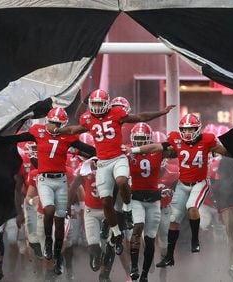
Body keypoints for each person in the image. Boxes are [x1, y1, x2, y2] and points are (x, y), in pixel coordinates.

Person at [46, 89, 175, 256]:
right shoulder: (88, 118)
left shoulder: (116, 113)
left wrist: (161, 112)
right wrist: (57, 131)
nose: (98, 107)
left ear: (108, 104)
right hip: (102, 162)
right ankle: (116, 232)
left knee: (121, 181)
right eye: (95, 103)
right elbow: (73, 129)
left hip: (119, 158)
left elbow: (140, 117)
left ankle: (128, 210)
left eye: (101, 103)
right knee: (106, 201)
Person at [126, 113, 229, 267]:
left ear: (198, 129)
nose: (187, 133)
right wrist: (135, 149)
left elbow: (224, 151)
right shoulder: (174, 140)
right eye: (185, 129)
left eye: (191, 129)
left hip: (198, 183)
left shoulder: (207, 140)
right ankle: (168, 257)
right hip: (180, 185)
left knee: (191, 209)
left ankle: (195, 241)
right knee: (173, 221)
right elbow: (157, 147)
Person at [21, 107, 95, 275]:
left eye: (57, 124)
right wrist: (33, 203)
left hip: (63, 199)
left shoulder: (67, 168)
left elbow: (78, 187)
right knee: (39, 243)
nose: (54, 127)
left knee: (61, 240)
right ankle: (44, 271)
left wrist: (80, 209)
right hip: (40, 212)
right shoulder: (35, 172)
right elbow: (28, 198)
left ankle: (55, 266)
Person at [127, 122, 170, 282]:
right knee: (137, 227)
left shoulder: (157, 152)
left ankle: (144, 274)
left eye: (142, 139)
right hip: (136, 198)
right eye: (136, 139)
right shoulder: (128, 152)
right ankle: (133, 267)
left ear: (149, 140)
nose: (139, 142)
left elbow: (174, 150)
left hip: (153, 200)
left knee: (150, 239)